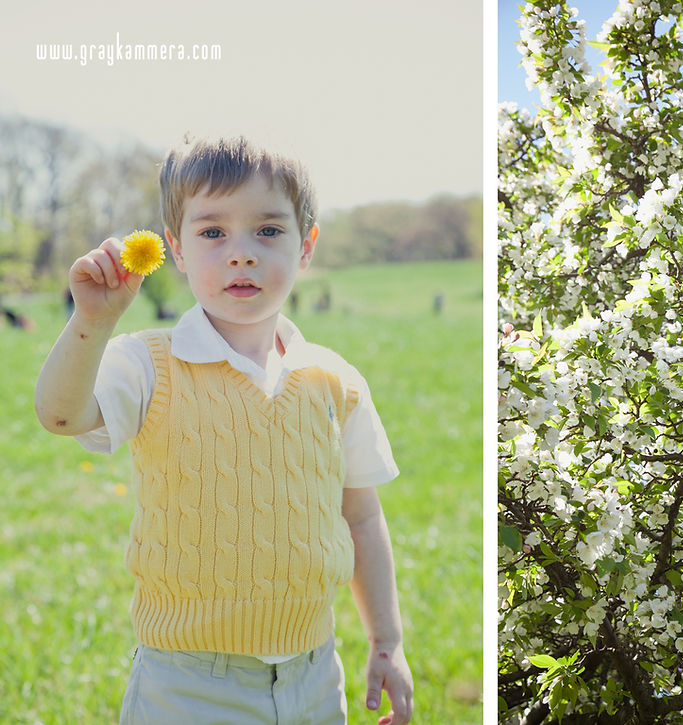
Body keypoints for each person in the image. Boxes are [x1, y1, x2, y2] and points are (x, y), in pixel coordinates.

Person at [34, 136, 413, 725]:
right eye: (213, 233)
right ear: (176, 250)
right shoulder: (148, 363)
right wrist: (93, 320)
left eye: (267, 231)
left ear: (305, 246)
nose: (241, 254)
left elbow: (361, 516)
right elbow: (62, 414)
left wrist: (387, 640)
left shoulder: (334, 381)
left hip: (315, 675)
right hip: (186, 685)